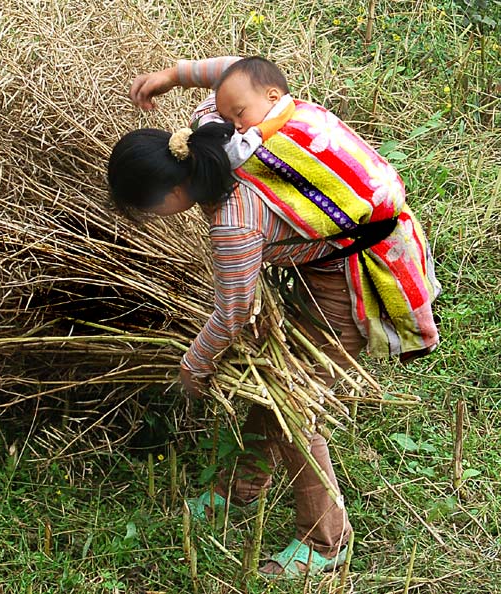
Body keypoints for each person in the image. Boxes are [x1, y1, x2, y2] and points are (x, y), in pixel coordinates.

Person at [108, 56, 440, 578]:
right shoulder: (211, 127)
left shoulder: (233, 220)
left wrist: (194, 366)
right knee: (270, 384)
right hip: (323, 267)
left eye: (149, 210)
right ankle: (240, 489)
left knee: (294, 409)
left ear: (172, 194)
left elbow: (233, 311)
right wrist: (174, 75)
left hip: (351, 283)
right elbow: (232, 71)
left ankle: (326, 544)